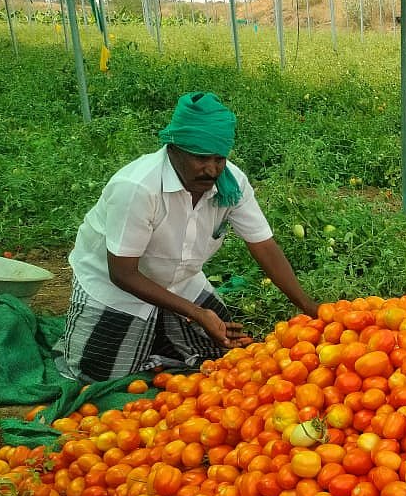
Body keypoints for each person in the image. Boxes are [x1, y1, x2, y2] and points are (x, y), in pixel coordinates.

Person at [57, 91, 321, 382]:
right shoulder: (138, 187)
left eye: (219, 159)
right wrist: (196, 313)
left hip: (180, 280)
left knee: (225, 349)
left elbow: (264, 246)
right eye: (201, 158)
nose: (211, 170)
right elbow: (122, 273)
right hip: (114, 285)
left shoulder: (231, 184)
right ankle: (149, 334)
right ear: (174, 149)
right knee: (100, 373)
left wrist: (309, 307)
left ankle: (156, 334)